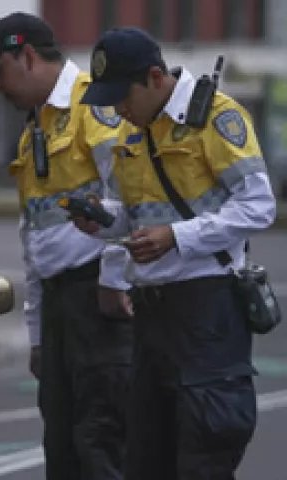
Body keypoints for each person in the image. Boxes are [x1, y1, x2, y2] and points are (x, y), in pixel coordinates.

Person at [76, 27, 277, 479]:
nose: (117, 109)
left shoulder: (216, 119)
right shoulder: (133, 130)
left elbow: (258, 205)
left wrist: (178, 237)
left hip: (206, 312)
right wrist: (104, 219)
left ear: (154, 78)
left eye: (122, 95)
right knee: (146, 457)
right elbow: (136, 213)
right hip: (150, 317)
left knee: (204, 454)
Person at [0, 12, 133, 480]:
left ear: (29, 56)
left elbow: (130, 197)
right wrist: (37, 336)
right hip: (60, 307)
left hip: (96, 299)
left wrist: (113, 279)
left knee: (101, 440)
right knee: (60, 445)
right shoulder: (34, 129)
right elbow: (35, 238)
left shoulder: (92, 106)